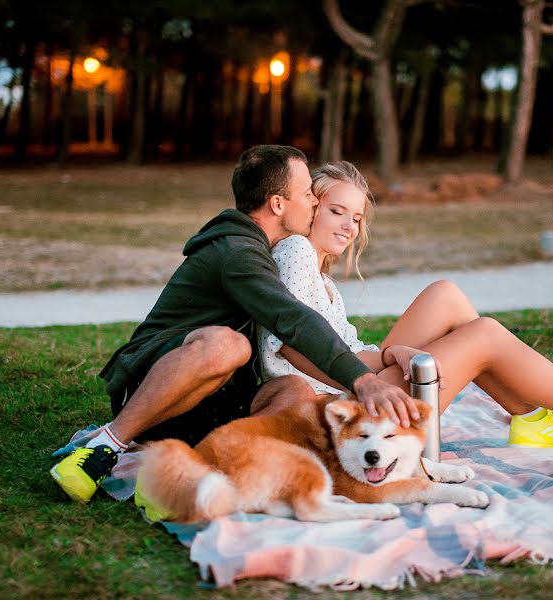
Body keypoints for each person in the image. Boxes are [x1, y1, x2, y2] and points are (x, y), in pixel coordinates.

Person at [50, 146, 420, 504]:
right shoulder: (237, 252)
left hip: (212, 399)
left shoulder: (261, 249)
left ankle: (203, 473)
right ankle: (105, 447)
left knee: (292, 391)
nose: (313, 201)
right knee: (229, 345)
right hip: (152, 387)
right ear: (278, 204)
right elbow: (292, 319)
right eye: (307, 192)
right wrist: (362, 379)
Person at [257, 161, 553, 455]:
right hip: (344, 413)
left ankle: (532, 417)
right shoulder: (295, 249)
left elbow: (328, 342)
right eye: (336, 211)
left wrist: (389, 356)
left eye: (356, 218)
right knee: (485, 336)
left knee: (444, 294)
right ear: (310, 207)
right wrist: (385, 362)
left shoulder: (321, 275)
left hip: (353, 387)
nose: (349, 227)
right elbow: (296, 346)